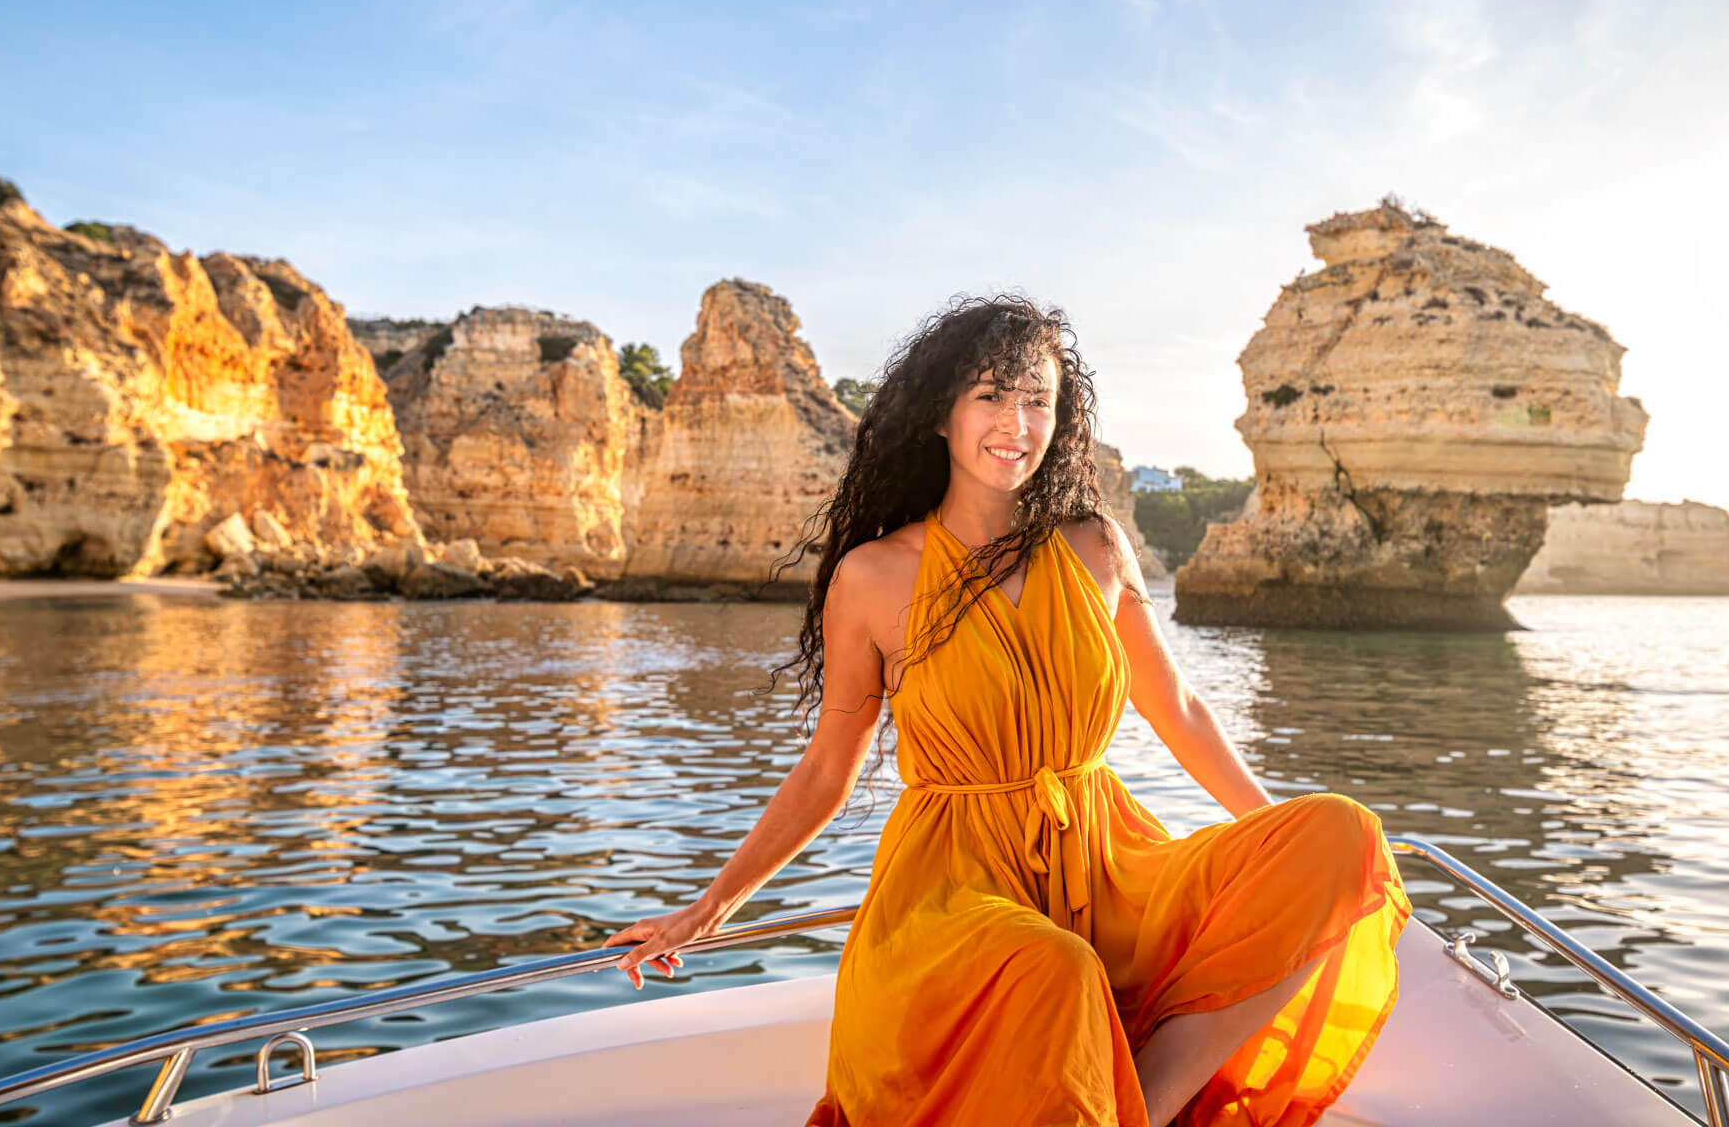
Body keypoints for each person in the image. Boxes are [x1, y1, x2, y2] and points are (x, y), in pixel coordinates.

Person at [605, 294, 1412, 1126]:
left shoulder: (1094, 546)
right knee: (1052, 969)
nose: (1016, 422)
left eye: (1038, 400)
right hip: (954, 882)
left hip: (1109, 858)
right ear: (942, 416)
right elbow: (825, 770)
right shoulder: (874, 577)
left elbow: (1178, 708)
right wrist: (712, 905)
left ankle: (1146, 1107)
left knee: (1340, 834)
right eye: (991, 395)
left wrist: (1268, 856)